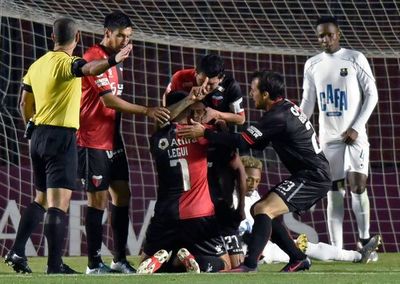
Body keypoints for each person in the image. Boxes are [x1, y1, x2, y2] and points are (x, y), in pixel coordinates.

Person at [6, 17, 132, 274]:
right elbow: (88, 70)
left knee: (40, 198)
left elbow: (23, 104)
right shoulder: (69, 63)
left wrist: (29, 124)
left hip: (37, 136)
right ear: (77, 38)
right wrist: (113, 60)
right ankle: (54, 266)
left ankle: (17, 250)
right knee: (58, 204)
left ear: (53, 37)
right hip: (61, 137)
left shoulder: (37, 65)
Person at [178, 70, 332, 272]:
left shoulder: (277, 116)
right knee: (260, 210)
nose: (251, 94)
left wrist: (205, 132)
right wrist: (224, 130)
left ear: (265, 94)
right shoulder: (284, 109)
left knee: (263, 209)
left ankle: (250, 265)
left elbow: (243, 141)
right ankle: (297, 258)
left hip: (313, 176)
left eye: (253, 90)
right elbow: (256, 144)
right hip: (309, 173)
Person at [76, 12, 170, 274]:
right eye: (121, 36)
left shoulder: (119, 60)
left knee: (122, 195)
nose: (125, 41)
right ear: (107, 33)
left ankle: (119, 259)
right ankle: (94, 263)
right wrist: (147, 111)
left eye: (128, 37)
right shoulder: (94, 57)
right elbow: (108, 101)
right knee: (97, 200)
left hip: (113, 140)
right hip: (92, 140)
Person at [300, 16, 379, 249]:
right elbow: (307, 102)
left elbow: (372, 95)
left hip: (355, 136)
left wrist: (356, 127)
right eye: (321, 36)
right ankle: (337, 248)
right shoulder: (312, 64)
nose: (325, 39)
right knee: (333, 189)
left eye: (329, 34)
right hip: (328, 137)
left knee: (357, 185)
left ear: (338, 34)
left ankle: (364, 241)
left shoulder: (355, 58)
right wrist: (301, 128)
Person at [136, 91, 231, 274]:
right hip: (199, 212)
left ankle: (162, 262)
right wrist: (221, 123)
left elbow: (162, 123)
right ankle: (192, 262)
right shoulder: (199, 133)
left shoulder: (157, 139)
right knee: (225, 265)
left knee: (145, 262)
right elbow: (227, 143)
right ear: (186, 109)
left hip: (165, 213)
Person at [236, 156, 381, 264]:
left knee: (306, 246)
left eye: (256, 180)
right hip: (244, 251)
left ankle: (358, 256)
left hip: (261, 246)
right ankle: (358, 256)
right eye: (249, 179)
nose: (253, 184)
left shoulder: (254, 196)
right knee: (301, 249)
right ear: (239, 175)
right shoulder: (230, 197)